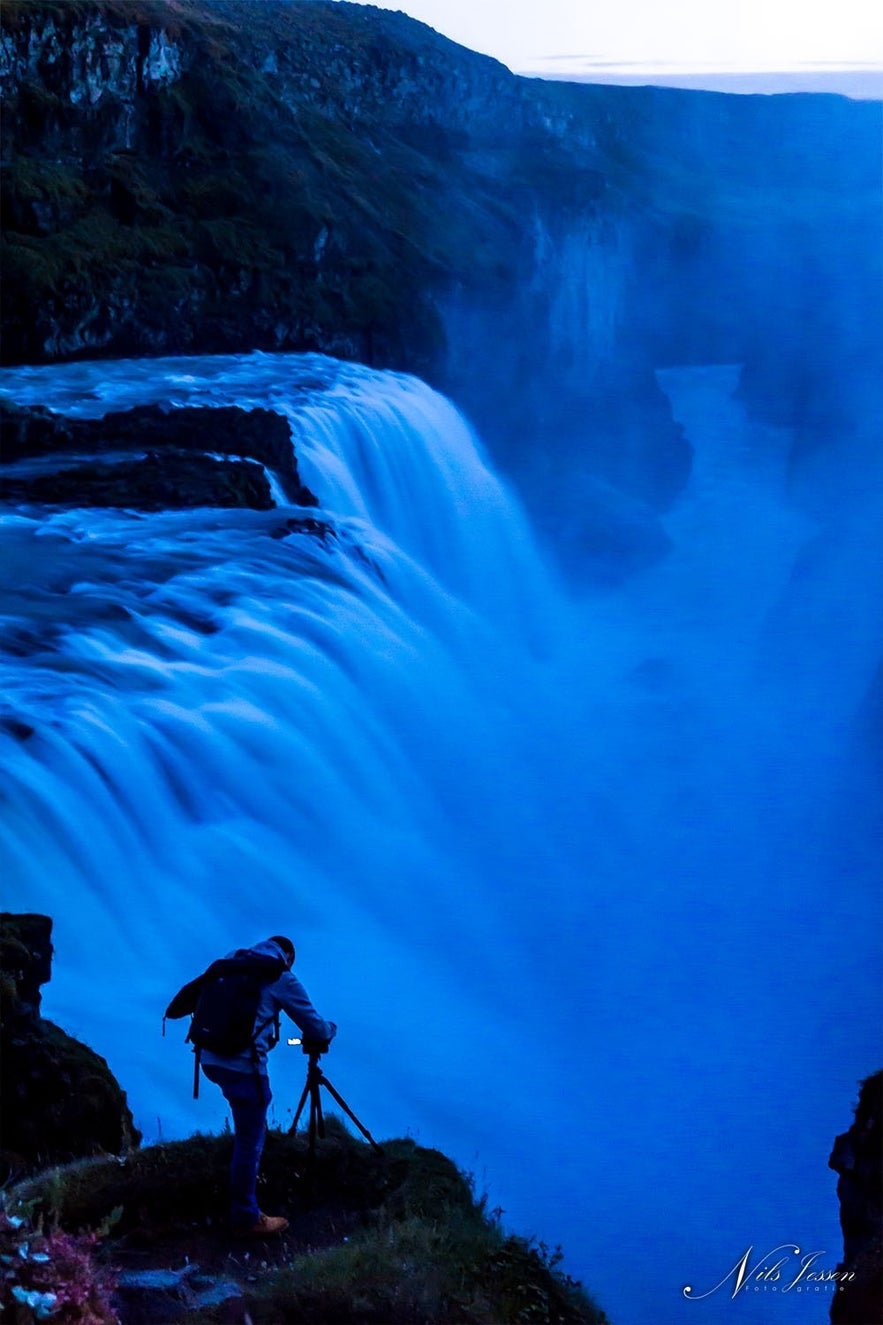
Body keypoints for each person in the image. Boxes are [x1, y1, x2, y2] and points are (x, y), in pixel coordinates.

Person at [200, 934, 336, 1238]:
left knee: (246, 1124)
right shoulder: (280, 976)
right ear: (287, 957)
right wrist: (330, 1031)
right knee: (250, 1140)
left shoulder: (231, 961)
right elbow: (314, 1027)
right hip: (243, 1066)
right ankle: (247, 1217)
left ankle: (237, 1196)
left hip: (209, 1058)